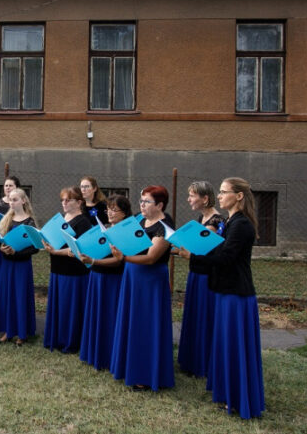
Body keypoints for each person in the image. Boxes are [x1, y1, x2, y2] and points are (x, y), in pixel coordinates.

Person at [191, 177, 265, 419]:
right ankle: (227, 394)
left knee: (235, 347)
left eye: (224, 192)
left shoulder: (241, 224)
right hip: (225, 290)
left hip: (237, 295)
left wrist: (192, 254)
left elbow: (225, 257)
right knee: (224, 345)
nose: (219, 196)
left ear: (239, 196)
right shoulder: (231, 221)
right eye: (220, 192)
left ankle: (239, 399)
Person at [110, 185, 175, 391]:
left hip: (150, 280)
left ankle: (146, 374)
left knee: (145, 325)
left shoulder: (164, 226)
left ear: (160, 205)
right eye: (141, 201)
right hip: (132, 276)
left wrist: (124, 258)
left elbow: (151, 257)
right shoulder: (139, 218)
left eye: (147, 202)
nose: (142, 205)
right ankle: (126, 366)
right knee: (131, 321)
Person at [176, 180, 226, 378]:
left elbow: (201, 249)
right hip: (195, 274)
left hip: (207, 277)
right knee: (194, 316)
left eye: (192, 195)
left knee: (205, 318)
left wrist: (186, 249)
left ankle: (204, 363)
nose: (188, 199)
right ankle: (191, 360)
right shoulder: (201, 219)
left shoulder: (216, 222)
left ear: (205, 199)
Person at [78, 194, 131, 370]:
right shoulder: (104, 227)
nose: (109, 212)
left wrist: (93, 261)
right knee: (97, 316)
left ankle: (110, 356)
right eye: (108, 208)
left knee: (110, 317)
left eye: (114, 209)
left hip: (113, 279)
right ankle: (95, 353)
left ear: (124, 213)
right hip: (96, 277)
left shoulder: (126, 231)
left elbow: (118, 260)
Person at [42, 186, 92, 353]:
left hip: (74, 272)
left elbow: (79, 250)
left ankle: (70, 341)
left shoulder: (84, 222)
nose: (64, 203)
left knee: (70, 309)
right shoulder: (62, 219)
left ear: (79, 202)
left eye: (68, 200)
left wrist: (56, 251)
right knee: (59, 307)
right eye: (62, 200)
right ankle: (56, 338)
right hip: (58, 269)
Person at [0, 187, 38, 346]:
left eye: (15, 199)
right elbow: (0, 241)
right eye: (10, 200)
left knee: (19, 297)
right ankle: (8, 330)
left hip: (21, 266)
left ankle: (21, 332)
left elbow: (35, 248)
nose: (11, 202)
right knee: (7, 296)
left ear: (23, 201)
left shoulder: (29, 222)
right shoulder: (6, 220)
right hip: (7, 265)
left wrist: (16, 253)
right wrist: (2, 249)